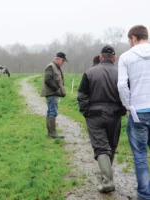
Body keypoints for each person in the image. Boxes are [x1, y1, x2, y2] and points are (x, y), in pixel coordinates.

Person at [77, 45, 126, 193]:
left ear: (100, 57)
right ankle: (107, 176)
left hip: (95, 114)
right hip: (115, 114)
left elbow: (81, 95)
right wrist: (122, 110)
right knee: (111, 145)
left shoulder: (89, 72)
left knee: (101, 147)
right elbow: (126, 93)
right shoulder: (121, 74)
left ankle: (107, 181)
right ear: (114, 58)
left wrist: (86, 111)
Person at [118, 25, 150, 200]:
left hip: (138, 111)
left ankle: (145, 195)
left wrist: (128, 106)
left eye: (129, 40)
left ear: (133, 38)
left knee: (140, 155)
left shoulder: (126, 57)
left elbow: (122, 85)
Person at [40, 52, 68, 139]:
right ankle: (53, 133)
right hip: (51, 93)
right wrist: (56, 89)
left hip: (53, 93)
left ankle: (50, 132)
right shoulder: (51, 66)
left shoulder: (56, 67)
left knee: (50, 112)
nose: (63, 62)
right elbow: (47, 80)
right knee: (53, 112)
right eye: (63, 60)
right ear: (57, 59)